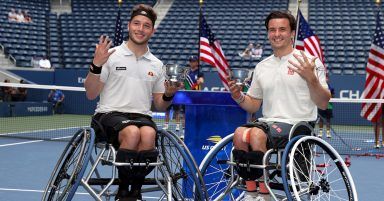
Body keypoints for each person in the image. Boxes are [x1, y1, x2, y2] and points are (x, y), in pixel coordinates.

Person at [228, 11, 331, 201]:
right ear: (268, 33)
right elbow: (252, 106)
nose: (277, 34)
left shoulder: (309, 62)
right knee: (239, 134)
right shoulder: (262, 66)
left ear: (292, 32)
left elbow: (323, 102)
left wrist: (311, 79)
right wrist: (239, 96)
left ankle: (264, 195)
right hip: (267, 123)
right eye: (272, 30)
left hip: (298, 125)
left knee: (257, 134)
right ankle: (251, 192)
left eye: (282, 29)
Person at [84, 4, 182, 201]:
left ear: (153, 31)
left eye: (146, 25)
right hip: (109, 114)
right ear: (129, 26)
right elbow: (91, 93)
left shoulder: (157, 64)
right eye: (136, 23)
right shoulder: (110, 56)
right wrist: (96, 64)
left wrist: (169, 95)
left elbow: (160, 105)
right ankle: (123, 190)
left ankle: (134, 191)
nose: (140, 29)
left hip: (141, 116)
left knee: (148, 133)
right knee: (132, 132)